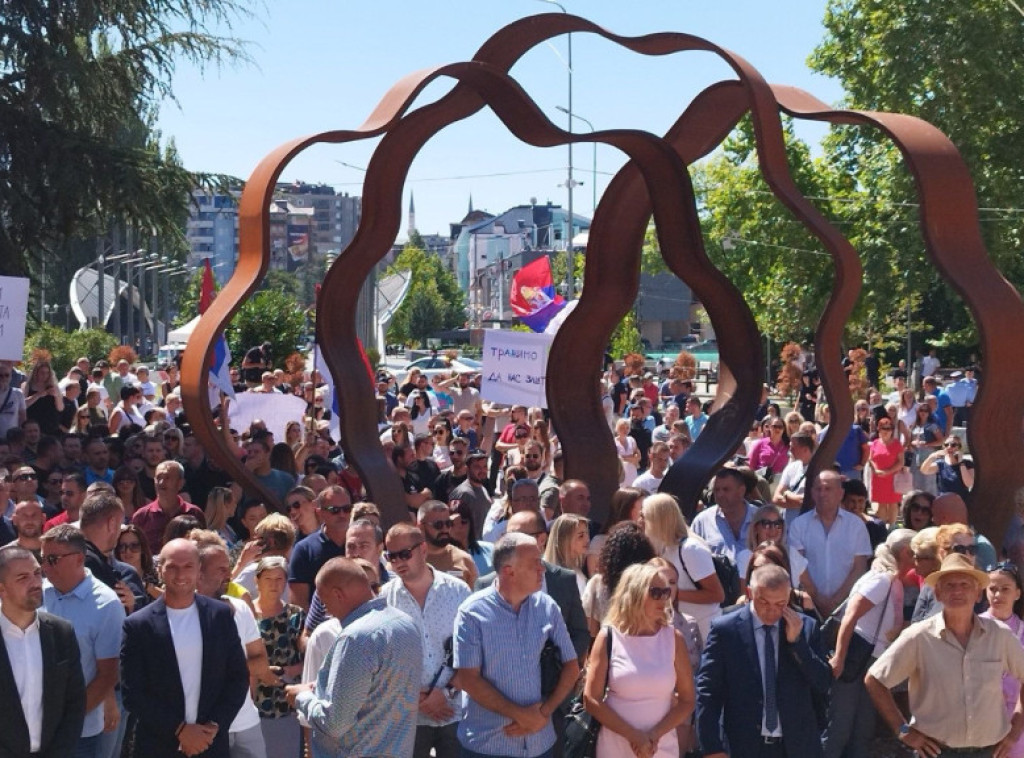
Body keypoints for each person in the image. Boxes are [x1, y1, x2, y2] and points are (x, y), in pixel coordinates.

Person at [866, 553, 1024, 757]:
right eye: (949, 585)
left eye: (965, 584)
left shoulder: (1000, 635)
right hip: (936, 752)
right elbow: (875, 680)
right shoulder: (919, 637)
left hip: (989, 752)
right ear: (938, 594)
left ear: (978, 594)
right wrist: (903, 730)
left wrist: (1016, 729)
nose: (957, 590)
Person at [453, 532, 581, 758]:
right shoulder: (472, 613)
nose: (542, 569)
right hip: (487, 746)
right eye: (534, 563)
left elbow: (572, 665)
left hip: (540, 743)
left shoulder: (547, 607)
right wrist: (522, 716)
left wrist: (543, 713)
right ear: (508, 571)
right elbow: (468, 679)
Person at [121, 539, 250, 758]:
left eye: (188, 566)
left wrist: (213, 727)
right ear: (160, 570)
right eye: (172, 566)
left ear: (199, 569)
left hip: (210, 743)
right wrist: (180, 730)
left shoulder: (220, 616)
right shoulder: (138, 625)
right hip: (158, 746)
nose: (180, 574)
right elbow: (133, 692)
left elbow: (237, 677)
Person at [286, 557, 422, 758]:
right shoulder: (406, 623)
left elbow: (335, 724)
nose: (327, 612)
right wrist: (322, 688)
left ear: (338, 594)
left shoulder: (356, 638)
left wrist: (302, 697)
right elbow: (378, 688)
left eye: (324, 603)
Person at [696, 563, 832, 758]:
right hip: (744, 746)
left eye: (780, 604)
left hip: (796, 746)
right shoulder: (726, 630)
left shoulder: (806, 628)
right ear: (750, 593)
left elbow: (823, 683)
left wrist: (797, 644)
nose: (771, 611)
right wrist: (712, 747)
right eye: (764, 602)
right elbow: (707, 692)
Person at [583, 563, 694, 758]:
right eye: (655, 592)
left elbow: (687, 700)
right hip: (615, 747)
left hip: (660, 748)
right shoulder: (608, 637)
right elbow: (591, 699)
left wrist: (652, 736)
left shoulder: (674, 639)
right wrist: (634, 736)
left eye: (666, 591)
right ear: (634, 594)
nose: (664, 599)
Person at [380, 523, 470, 758]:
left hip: (456, 711)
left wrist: (446, 693)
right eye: (391, 556)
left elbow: (475, 652)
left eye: (404, 554)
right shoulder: (383, 599)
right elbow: (382, 661)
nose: (398, 561)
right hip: (407, 717)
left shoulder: (458, 592)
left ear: (422, 550)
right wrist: (417, 699)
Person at [823, 529, 915, 758]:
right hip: (856, 659)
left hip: (873, 662)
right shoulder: (882, 580)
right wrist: (839, 658)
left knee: (862, 729)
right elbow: (850, 616)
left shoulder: (892, 581)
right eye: (916, 553)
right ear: (905, 552)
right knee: (840, 728)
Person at [40, 525, 125, 758]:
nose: (45, 567)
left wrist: (66, 720)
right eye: (43, 559)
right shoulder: (38, 594)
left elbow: (108, 674)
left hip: (78, 732)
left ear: (79, 558)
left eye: (53, 559)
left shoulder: (106, 605)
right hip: (35, 728)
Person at [0, 545, 86, 758]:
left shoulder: (61, 632)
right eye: (22, 577)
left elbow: (74, 702)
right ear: (1, 589)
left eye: (37, 573)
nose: (35, 583)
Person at [788, 471, 872, 617]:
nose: (822, 494)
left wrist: (836, 602)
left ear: (840, 493)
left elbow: (859, 567)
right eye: (818, 489)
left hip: (846, 607)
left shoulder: (856, 526)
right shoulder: (798, 525)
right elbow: (798, 567)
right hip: (808, 608)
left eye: (828, 489)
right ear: (812, 493)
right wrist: (819, 600)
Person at [642, 493, 724, 641]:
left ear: (659, 519)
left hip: (705, 631)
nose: (640, 521)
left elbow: (717, 594)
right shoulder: (666, 547)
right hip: (683, 628)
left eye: (645, 517)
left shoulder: (691, 549)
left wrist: (670, 593)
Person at [251, 556, 304, 756]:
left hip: (285, 701)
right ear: (257, 580)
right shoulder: (245, 613)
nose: (274, 584)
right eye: (268, 579)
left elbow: (307, 657)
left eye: (279, 579)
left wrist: (291, 670)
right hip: (253, 699)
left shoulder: (296, 615)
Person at [981, 562, 1024, 758]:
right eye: (992, 589)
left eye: (1005, 589)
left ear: (1017, 593)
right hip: (981, 716)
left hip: (1018, 718)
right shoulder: (973, 627)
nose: (997, 595)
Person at [287, 485, 351, 610]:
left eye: (347, 509)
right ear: (320, 512)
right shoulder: (304, 550)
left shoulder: (360, 542)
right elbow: (299, 603)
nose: (342, 514)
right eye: (334, 510)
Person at [131, 461, 206, 553]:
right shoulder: (141, 516)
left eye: (167, 478)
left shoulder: (194, 513)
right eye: (158, 478)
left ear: (180, 483)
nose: (161, 482)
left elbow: (204, 548)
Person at [691, 468, 758, 561]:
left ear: (741, 491)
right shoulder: (702, 521)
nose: (720, 494)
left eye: (726, 489)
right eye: (716, 490)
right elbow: (693, 557)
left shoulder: (760, 517)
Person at [419, 500, 478, 588]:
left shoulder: (464, 559)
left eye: (448, 524)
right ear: (421, 527)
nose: (445, 529)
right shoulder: (411, 559)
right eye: (438, 525)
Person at [543, 513, 590, 597]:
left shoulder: (577, 571)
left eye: (587, 534)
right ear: (564, 540)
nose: (587, 539)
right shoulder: (548, 574)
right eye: (581, 536)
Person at [920, 433, 975, 499]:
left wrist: (961, 462)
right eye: (946, 445)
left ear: (959, 447)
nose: (949, 447)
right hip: (944, 501)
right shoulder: (940, 463)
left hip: (961, 500)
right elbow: (924, 471)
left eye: (953, 445)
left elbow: (969, 483)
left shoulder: (967, 463)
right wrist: (931, 457)